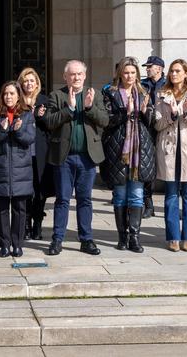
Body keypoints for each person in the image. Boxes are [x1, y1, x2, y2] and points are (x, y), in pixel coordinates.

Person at [44, 60, 109, 256]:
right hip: (64, 157)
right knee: (63, 199)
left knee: (85, 200)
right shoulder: (57, 95)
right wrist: (69, 109)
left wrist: (89, 108)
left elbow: (105, 120)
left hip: (87, 158)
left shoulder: (94, 94)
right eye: (72, 74)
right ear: (65, 77)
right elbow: (49, 122)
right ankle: (57, 239)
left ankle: (86, 239)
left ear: (85, 75)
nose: (76, 77)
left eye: (80, 74)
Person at [154, 59, 187, 252]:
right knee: (170, 195)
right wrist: (172, 115)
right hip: (169, 150)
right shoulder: (161, 95)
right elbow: (157, 124)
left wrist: (185, 113)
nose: (173, 74)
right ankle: (173, 237)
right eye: (171, 71)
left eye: (177, 71)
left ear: (186, 73)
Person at [101, 57, 155, 253]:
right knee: (120, 195)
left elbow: (151, 122)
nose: (129, 76)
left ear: (137, 74)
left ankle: (134, 237)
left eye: (133, 73)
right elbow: (106, 120)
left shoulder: (144, 92)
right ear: (120, 74)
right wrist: (126, 113)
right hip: (118, 149)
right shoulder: (111, 93)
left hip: (140, 150)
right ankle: (122, 237)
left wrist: (144, 111)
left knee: (137, 195)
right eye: (126, 72)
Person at [0, 81, 36, 257]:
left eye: (12, 94)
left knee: (20, 210)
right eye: (6, 93)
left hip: (21, 170)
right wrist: (2, 130)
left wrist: (19, 131)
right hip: (0, 168)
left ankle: (17, 244)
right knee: (1, 209)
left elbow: (30, 139)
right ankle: (4, 244)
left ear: (18, 96)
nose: (8, 97)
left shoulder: (27, 115)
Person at [18, 67, 54, 240]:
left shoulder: (44, 101)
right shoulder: (16, 101)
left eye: (32, 80)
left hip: (39, 153)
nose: (29, 84)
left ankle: (37, 224)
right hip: (21, 153)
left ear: (37, 83)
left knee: (39, 190)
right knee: (24, 190)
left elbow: (51, 126)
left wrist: (41, 117)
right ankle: (25, 225)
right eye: (25, 80)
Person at [140, 55, 165, 218]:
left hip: (165, 130)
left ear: (160, 69)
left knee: (170, 169)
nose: (147, 69)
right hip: (148, 130)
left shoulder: (169, 84)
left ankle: (173, 205)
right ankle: (148, 205)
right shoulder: (143, 85)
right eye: (147, 67)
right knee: (147, 168)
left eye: (150, 66)